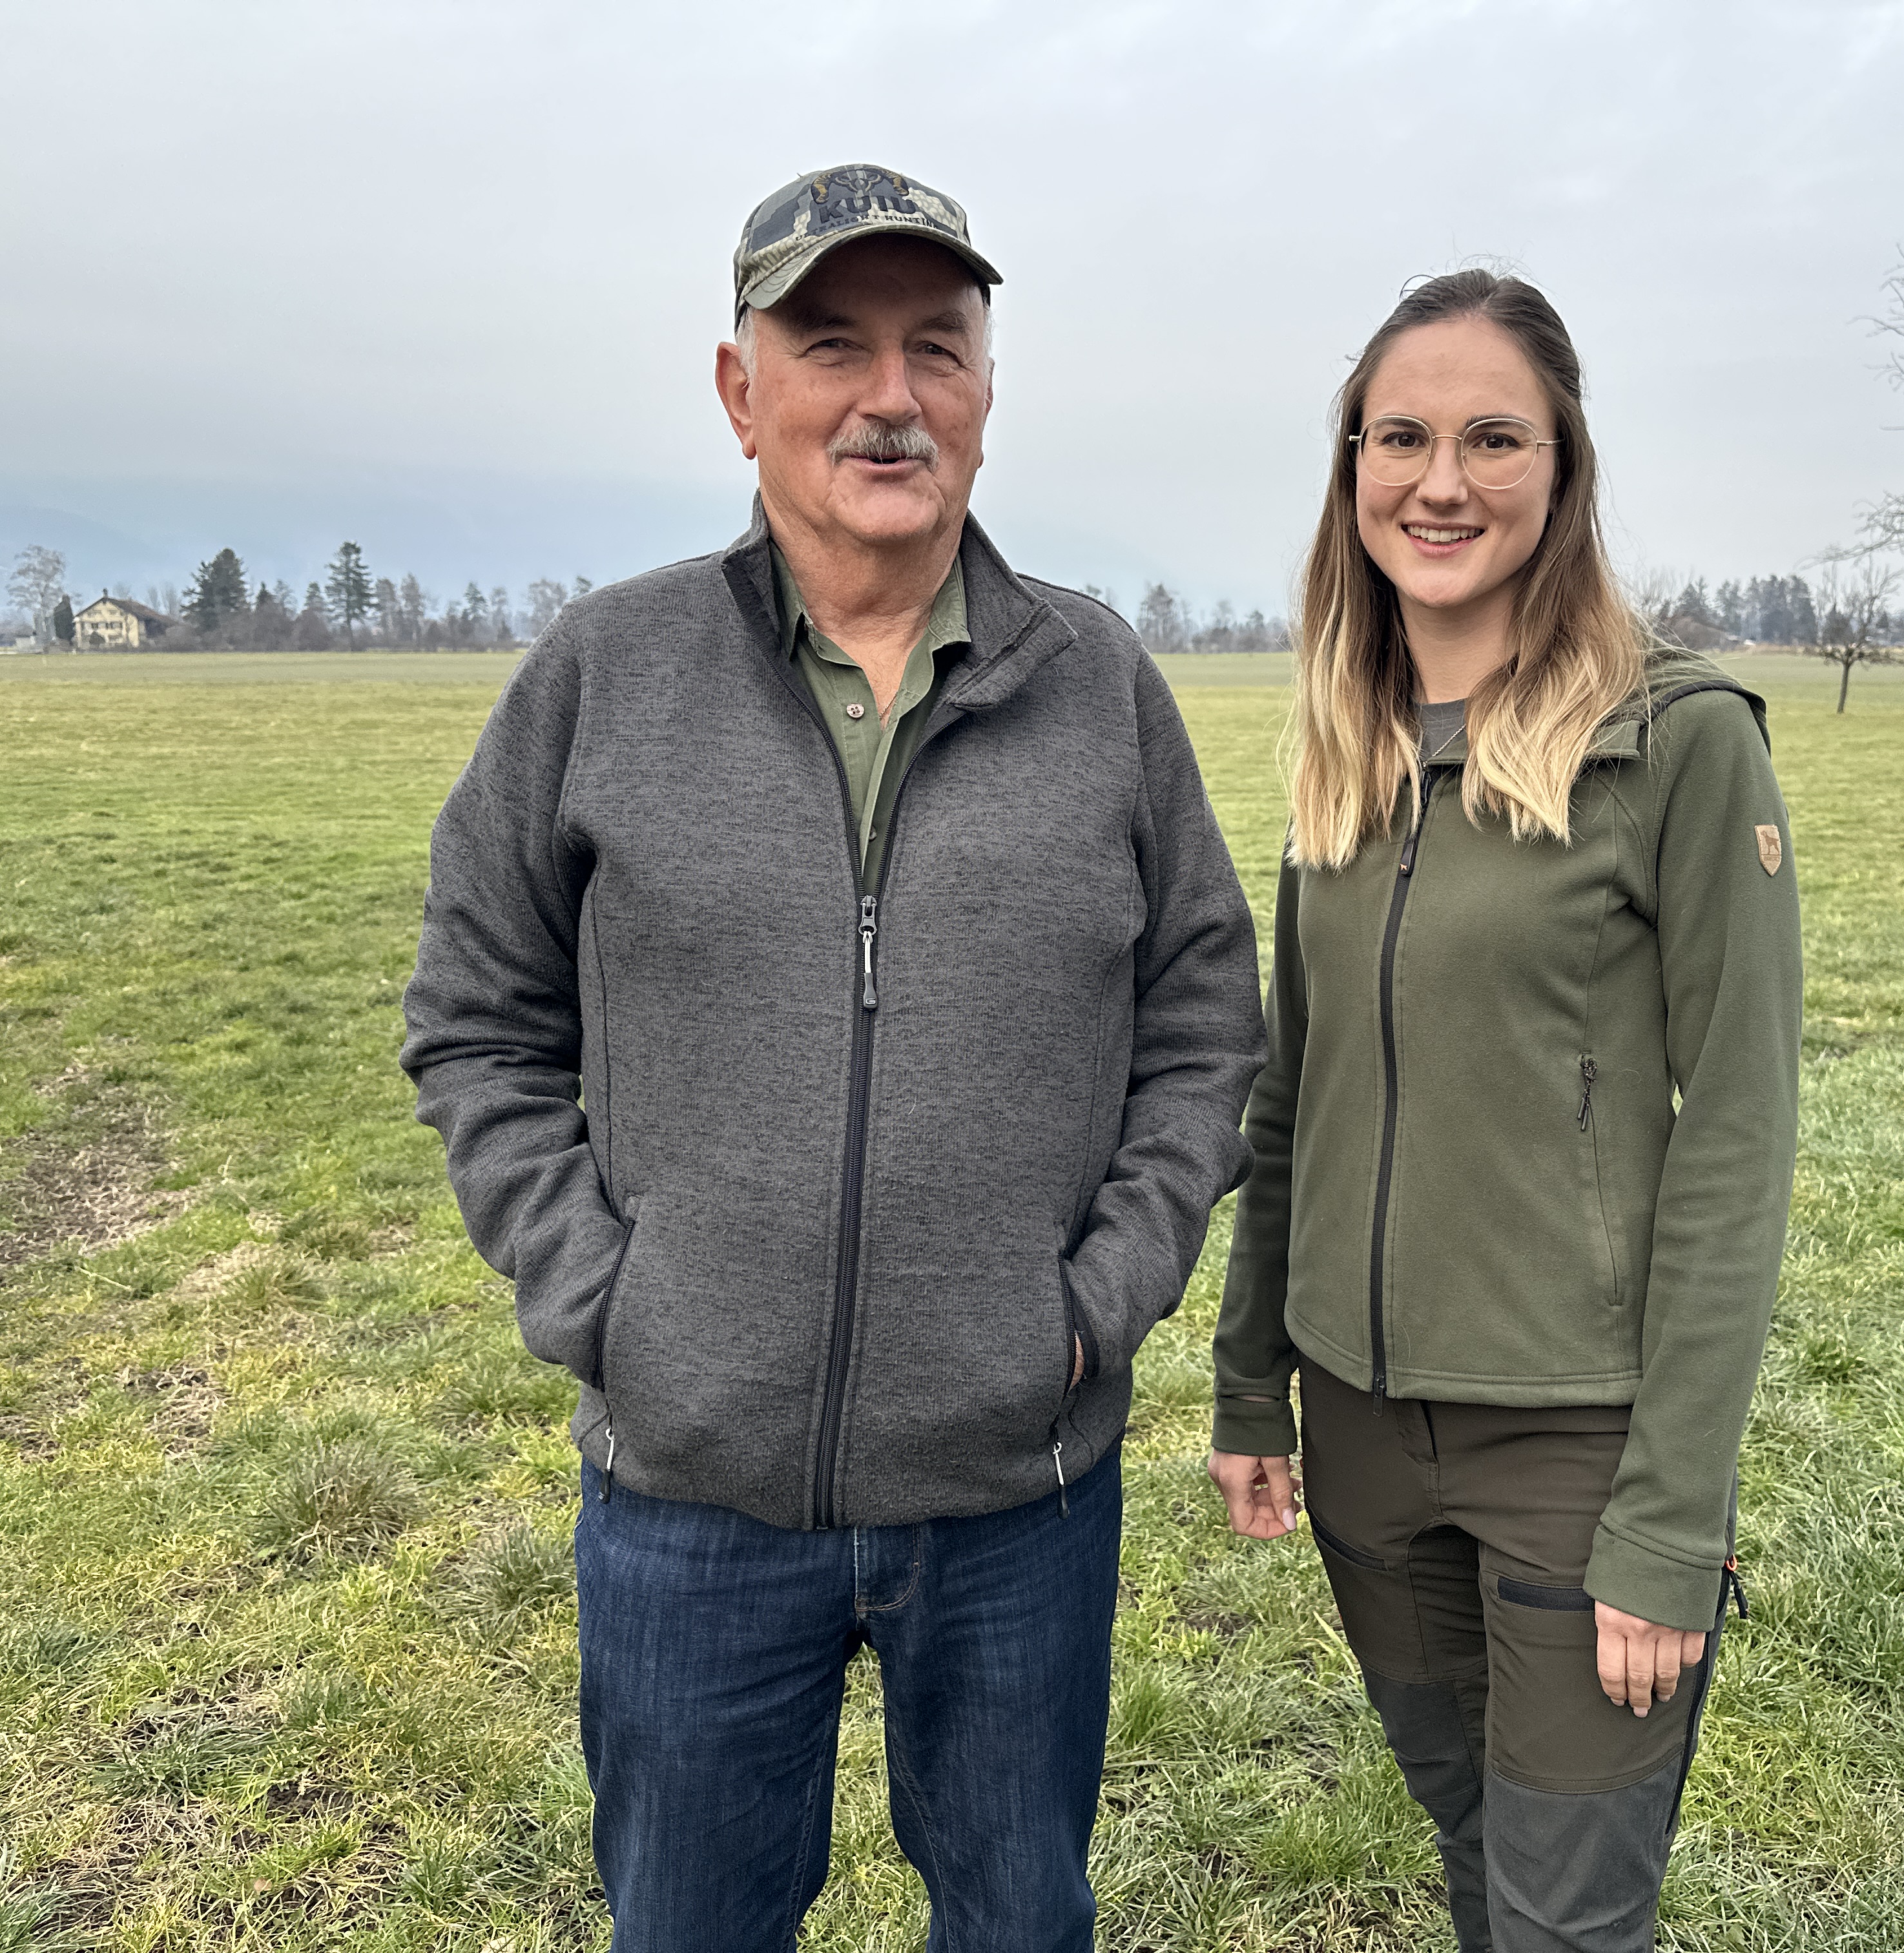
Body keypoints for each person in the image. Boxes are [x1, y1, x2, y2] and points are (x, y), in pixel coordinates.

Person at [402, 163, 1265, 1952]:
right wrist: (610, 1303)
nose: (891, 396)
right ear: (740, 392)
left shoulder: (1100, 687)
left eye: (936, 348)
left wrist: (1094, 1303)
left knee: (1020, 1919)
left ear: (986, 390)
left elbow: (1204, 1028)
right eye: (834, 345)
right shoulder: (602, 674)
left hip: (1015, 1493)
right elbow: (478, 1017)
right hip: (691, 1493)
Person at [1207, 270, 1801, 1952]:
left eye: (1491, 438)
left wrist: (1673, 1519)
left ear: (1564, 468)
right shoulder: (1347, 751)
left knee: (1564, 1920)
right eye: (1399, 437)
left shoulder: (1678, 742)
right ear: (1351, 470)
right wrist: (1256, 1384)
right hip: (1367, 1455)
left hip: (1575, 1455)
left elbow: (1740, 1137)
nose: (1440, 480)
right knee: (1477, 1856)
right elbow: (1284, 1106)